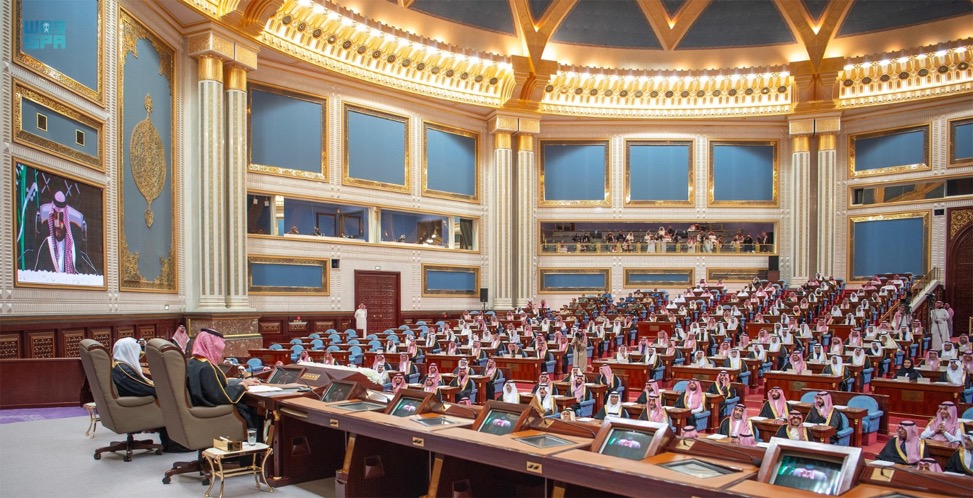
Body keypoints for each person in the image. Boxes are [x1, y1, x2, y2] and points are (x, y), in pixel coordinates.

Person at [186, 328, 263, 437]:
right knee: (252, 410)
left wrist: (242, 381)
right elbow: (218, 396)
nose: (221, 352)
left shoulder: (194, 362)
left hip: (199, 408)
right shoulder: (206, 368)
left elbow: (213, 384)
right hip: (214, 411)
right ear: (211, 346)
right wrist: (242, 386)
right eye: (219, 349)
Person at [33, 191, 79, 273]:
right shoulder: (46, 244)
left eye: (61, 219)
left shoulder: (71, 247)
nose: (58, 224)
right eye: (55, 218)